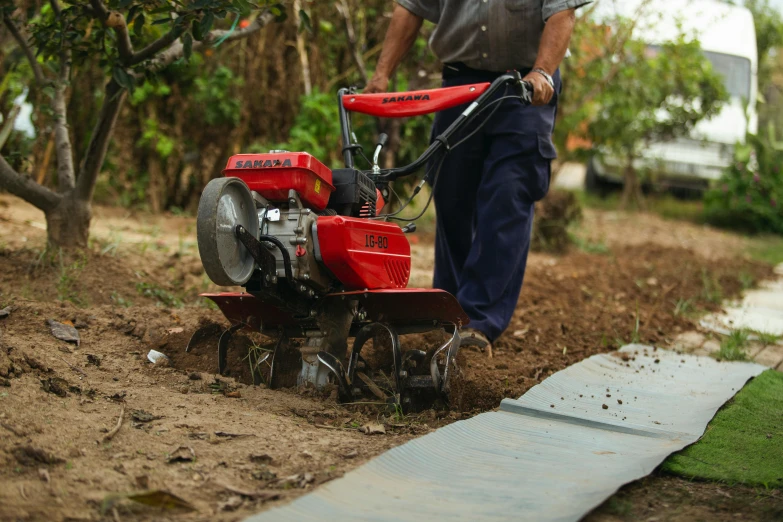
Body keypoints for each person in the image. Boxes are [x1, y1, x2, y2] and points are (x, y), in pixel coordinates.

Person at [364, 1, 592, 357]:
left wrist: (544, 72)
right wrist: (382, 74)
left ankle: (480, 323)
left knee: (508, 194)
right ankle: (450, 313)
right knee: (453, 198)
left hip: (524, 86)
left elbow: (562, 12)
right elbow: (410, 7)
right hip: (459, 81)